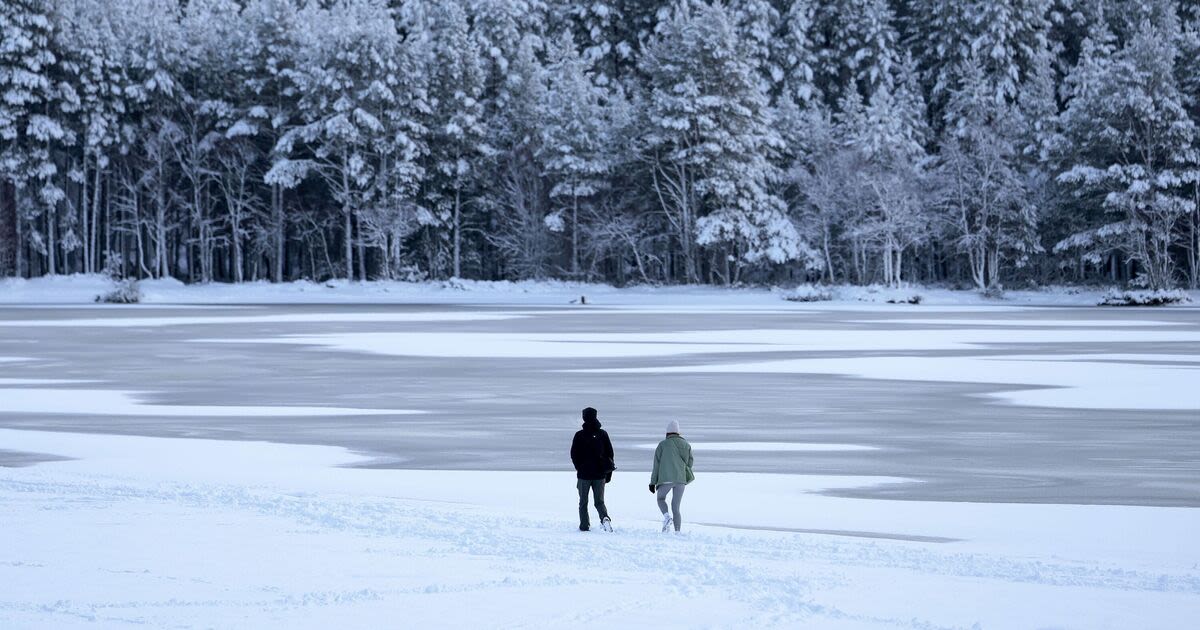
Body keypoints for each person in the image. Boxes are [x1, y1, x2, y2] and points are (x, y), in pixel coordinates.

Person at [570, 406, 614, 532]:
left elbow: (574, 454)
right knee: (599, 501)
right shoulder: (603, 434)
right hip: (600, 475)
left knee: (583, 502)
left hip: (584, 475)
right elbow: (610, 454)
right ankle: (605, 518)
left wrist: (579, 467)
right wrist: (608, 473)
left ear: (584, 418)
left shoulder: (579, 435)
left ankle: (584, 525)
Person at [649, 419, 693, 533]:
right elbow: (690, 463)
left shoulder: (662, 445)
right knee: (676, 507)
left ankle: (667, 517)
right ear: (678, 432)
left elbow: (656, 465)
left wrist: (652, 482)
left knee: (660, 498)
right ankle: (677, 531)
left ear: (667, 433)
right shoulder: (686, 445)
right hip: (681, 480)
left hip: (666, 479)